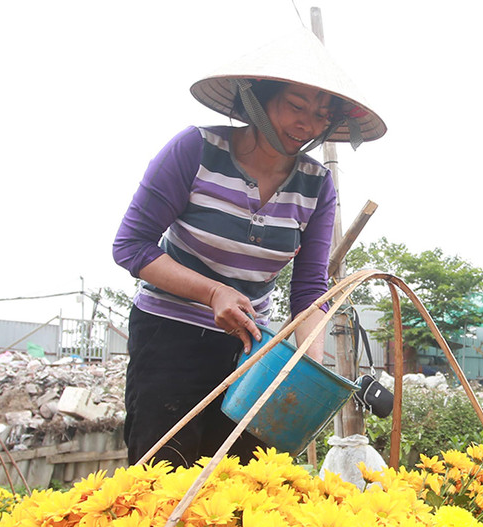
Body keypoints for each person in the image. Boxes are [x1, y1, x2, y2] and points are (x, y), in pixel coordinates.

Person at [113, 27, 386, 468]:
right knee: (160, 476)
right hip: (168, 337)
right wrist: (212, 292)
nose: (308, 124)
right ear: (258, 99)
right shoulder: (195, 150)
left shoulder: (317, 186)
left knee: (242, 481)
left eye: (320, 115)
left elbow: (309, 292)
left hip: (249, 350)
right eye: (296, 106)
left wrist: (301, 367)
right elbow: (131, 247)